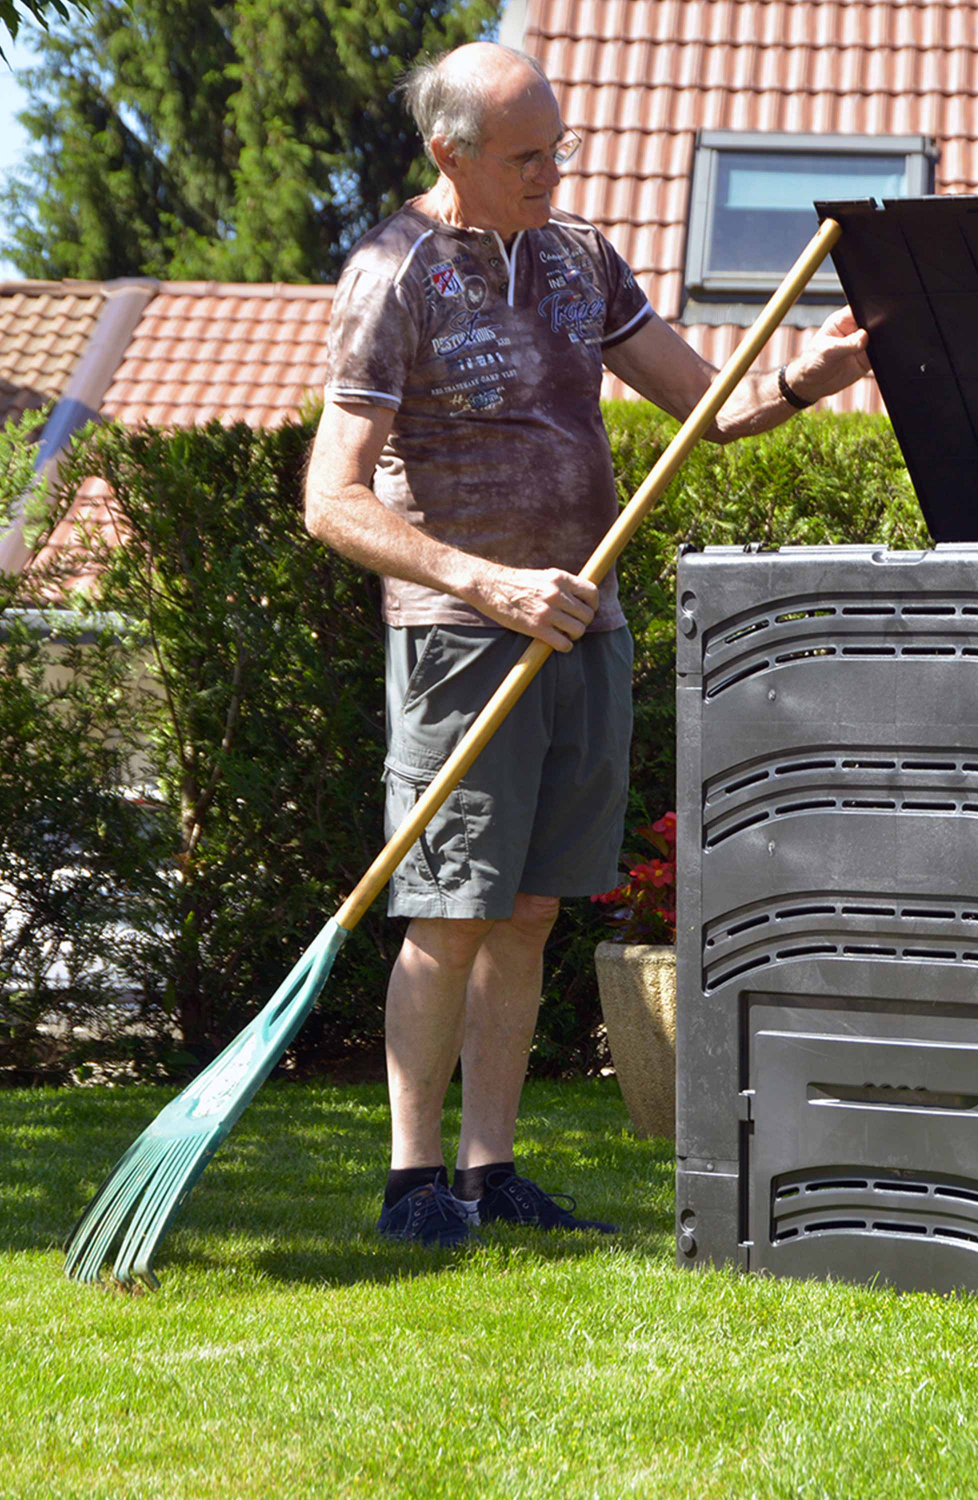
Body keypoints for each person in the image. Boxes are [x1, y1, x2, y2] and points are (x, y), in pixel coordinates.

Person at [303, 40, 871, 1248]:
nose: (550, 174)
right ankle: (412, 1185)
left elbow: (710, 409)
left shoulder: (578, 256)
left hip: (584, 624)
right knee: (450, 913)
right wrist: (485, 582)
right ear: (449, 152)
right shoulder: (393, 274)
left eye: (556, 150)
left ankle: (488, 1172)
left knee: (530, 913)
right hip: (464, 637)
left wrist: (803, 380)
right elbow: (331, 499)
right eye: (526, 156)